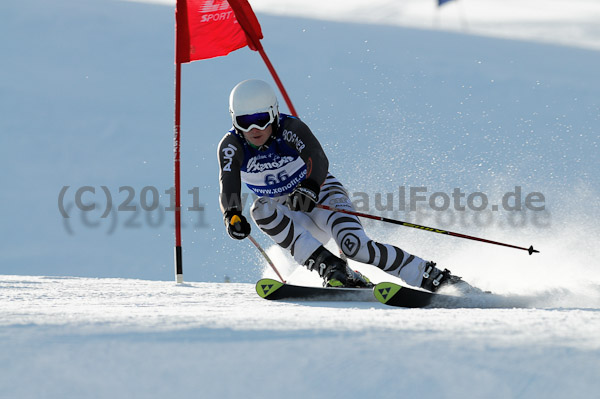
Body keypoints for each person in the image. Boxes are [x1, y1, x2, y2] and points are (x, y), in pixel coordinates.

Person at [218, 78, 468, 291]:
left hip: (322, 195)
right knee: (259, 209)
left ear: (273, 112)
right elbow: (228, 183)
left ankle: (431, 275)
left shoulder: (290, 128)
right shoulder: (231, 146)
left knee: (355, 247)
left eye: (261, 119)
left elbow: (318, 158)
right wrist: (231, 215)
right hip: (291, 215)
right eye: (244, 121)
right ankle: (334, 270)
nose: (254, 129)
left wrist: (310, 187)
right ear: (233, 119)